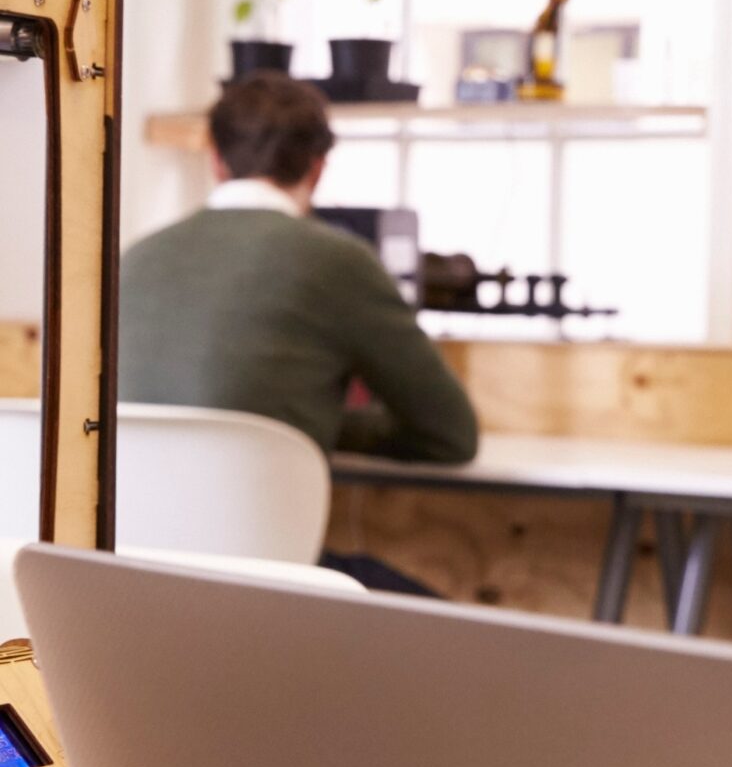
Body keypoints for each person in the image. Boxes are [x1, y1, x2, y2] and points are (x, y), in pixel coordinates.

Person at [120, 73, 478, 513]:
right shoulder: (336, 261)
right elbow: (451, 434)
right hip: (262, 565)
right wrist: (314, 423)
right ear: (317, 167)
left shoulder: (134, 259)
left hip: (131, 557)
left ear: (215, 159)